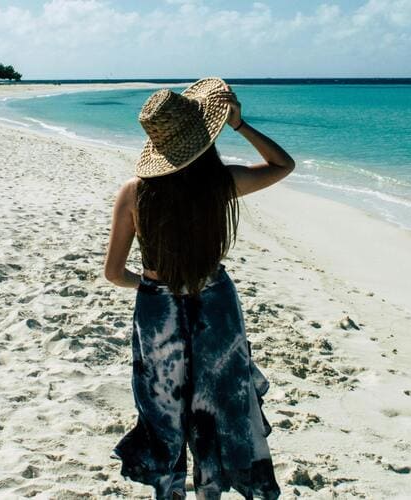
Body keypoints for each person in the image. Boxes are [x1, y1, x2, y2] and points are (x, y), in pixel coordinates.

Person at [104, 77, 295, 499]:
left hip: (158, 315)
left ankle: (169, 491)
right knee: (220, 405)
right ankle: (214, 489)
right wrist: (240, 126)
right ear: (202, 140)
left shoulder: (135, 194)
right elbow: (283, 165)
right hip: (216, 302)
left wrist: (152, 289)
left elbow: (114, 273)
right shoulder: (219, 184)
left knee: (163, 410)